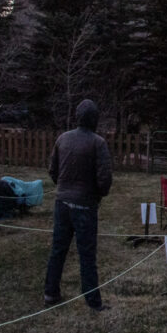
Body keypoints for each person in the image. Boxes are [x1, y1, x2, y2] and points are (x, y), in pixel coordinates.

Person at [43, 98, 113, 312]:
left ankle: (50, 292)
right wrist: (96, 195)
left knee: (58, 249)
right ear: (94, 119)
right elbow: (104, 179)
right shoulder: (97, 143)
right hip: (84, 205)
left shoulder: (63, 138)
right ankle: (93, 301)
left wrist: (65, 189)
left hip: (62, 203)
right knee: (87, 254)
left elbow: (52, 170)